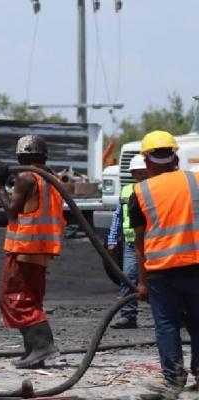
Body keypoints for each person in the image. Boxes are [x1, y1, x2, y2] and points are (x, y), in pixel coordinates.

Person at [128, 131, 199, 395]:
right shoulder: (197, 180)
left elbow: (139, 242)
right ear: (175, 155)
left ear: (146, 161)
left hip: (162, 270)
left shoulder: (141, 191)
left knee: (167, 324)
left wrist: (142, 281)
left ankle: (173, 380)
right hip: (197, 265)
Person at [0, 135, 64, 368]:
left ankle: (42, 346)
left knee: (14, 298)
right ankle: (34, 350)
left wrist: (0, 185)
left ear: (21, 156)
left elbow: (12, 212)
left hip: (26, 248)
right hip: (42, 248)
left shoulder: (26, 177)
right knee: (30, 298)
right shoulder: (51, 178)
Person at [107, 154, 149, 329]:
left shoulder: (153, 191)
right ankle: (128, 316)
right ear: (133, 174)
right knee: (128, 278)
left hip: (153, 243)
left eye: (144, 173)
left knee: (161, 280)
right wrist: (112, 239)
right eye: (138, 173)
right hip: (132, 244)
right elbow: (118, 216)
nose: (142, 176)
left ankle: (177, 316)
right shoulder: (126, 191)